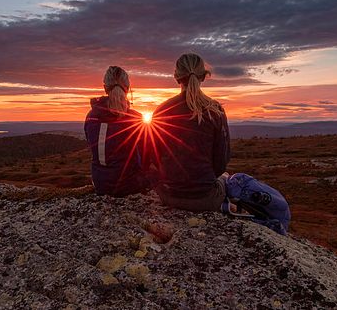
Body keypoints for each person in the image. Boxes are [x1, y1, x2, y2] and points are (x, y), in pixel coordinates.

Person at [150, 53, 232, 211]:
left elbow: (153, 156)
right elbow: (221, 163)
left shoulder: (161, 110)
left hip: (169, 196)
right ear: (203, 77)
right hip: (205, 199)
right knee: (226, 177)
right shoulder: (215, 110)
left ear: (176, 77)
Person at [84, 66, 151, 197]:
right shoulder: (135, 118)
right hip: (131, 185)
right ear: (127, 88)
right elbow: (146, 155)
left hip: (100, 184)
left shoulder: (91, 116)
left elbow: (92, 146)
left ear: (105, 88)